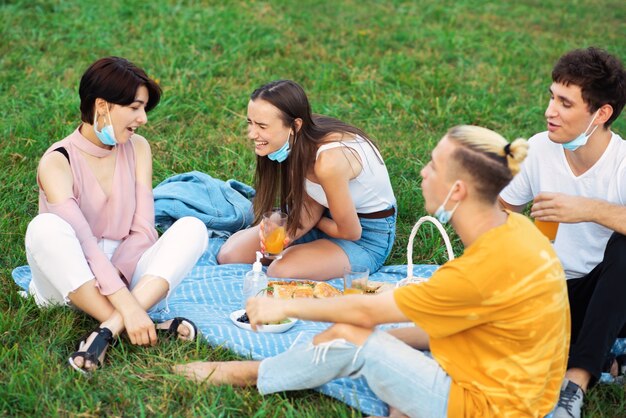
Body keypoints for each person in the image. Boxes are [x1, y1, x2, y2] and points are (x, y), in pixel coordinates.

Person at [175, 126, 570, 418]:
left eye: (433, 166)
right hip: (526, 388)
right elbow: (467, 320)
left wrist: (282, 307)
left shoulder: (478, 269)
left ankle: (250, 373)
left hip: (495, 407)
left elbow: (363, 315)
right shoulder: (517, 233)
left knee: (353, 336)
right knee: (382, 339)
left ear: (458, 191)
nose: (422, 173)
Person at [24, 57, 208, 374]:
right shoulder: (57, 161)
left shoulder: (138, 148)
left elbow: (143, 232)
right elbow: (83, 242)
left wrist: (120, 288)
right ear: (103, 106)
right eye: (135, 107)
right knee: (44, 228)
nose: (143, 119)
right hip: (69, 278)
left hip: (125, 265)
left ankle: (107, 330)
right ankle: (141, 320)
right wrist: (127, 302)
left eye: (144, 109)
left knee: (193, 228)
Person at [499, 47, 626, 418]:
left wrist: (588, 209)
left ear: (601, 114)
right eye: (552, 96)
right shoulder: (537, 148)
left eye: (565, 104)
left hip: (611, 291)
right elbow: (500, 212)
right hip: (551, 289)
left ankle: (575, 382)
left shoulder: (622, 163)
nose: (550, 111)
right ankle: (607, 356)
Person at [216, 80, 396, 280]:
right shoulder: (298, 138)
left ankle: (310, 251)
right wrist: (287, 229)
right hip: (319, 213)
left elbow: (351, 232)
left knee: (279, 271)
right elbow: (312, 200)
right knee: (229, 255)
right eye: (250, 122)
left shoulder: (329, 163)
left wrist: (305, 222)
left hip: (364, 236)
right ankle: (307, 247)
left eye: (262, 126)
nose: (252, 134)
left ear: (295, 125)